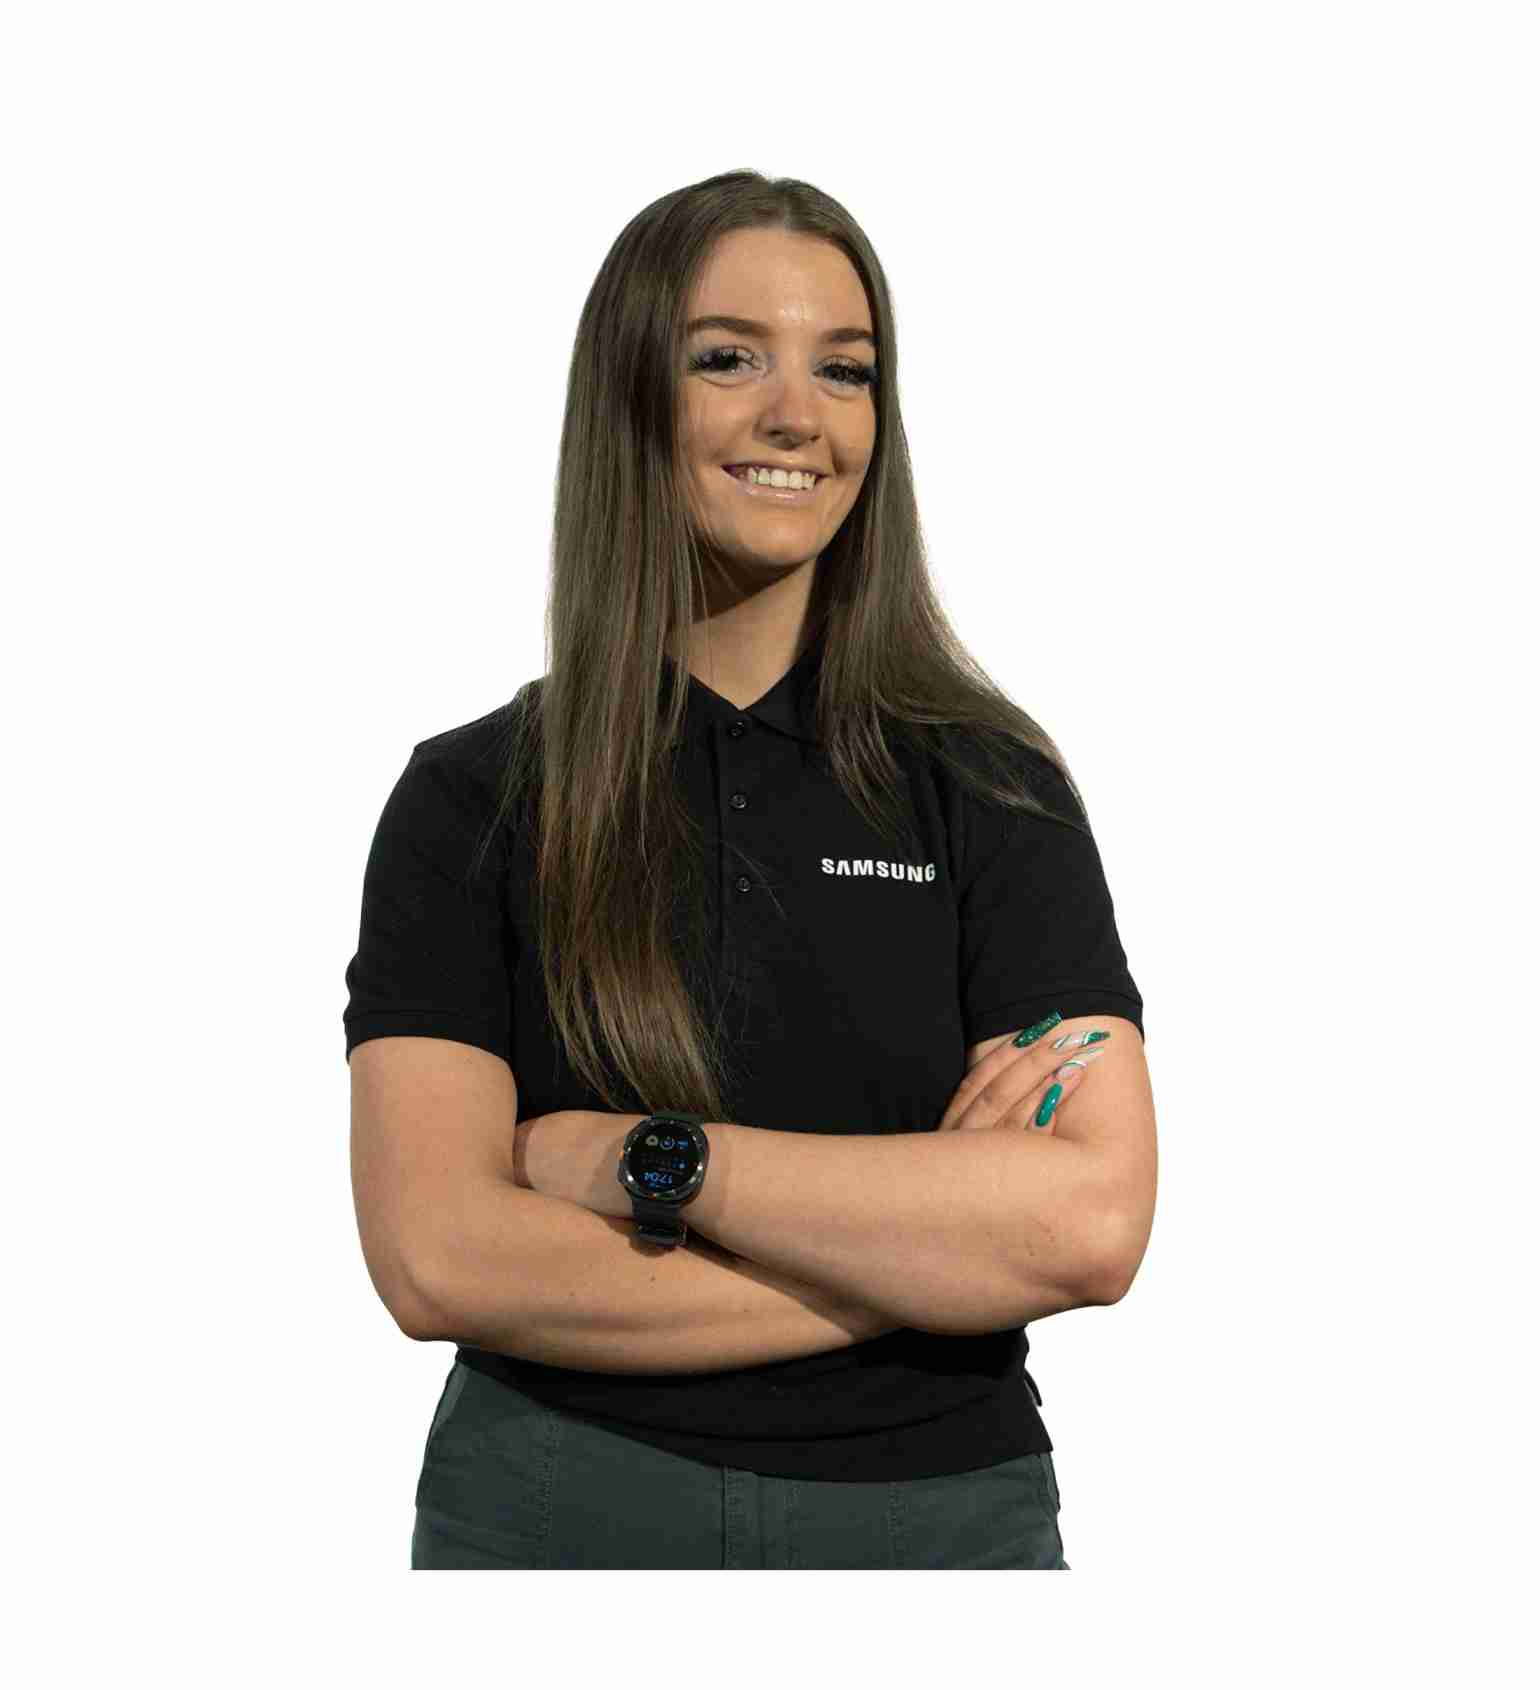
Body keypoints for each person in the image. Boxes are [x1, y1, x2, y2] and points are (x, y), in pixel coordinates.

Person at [344, 169, 1155, 1569]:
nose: (798, 415)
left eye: (845, 369)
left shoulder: (991, 786)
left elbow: (1088, 1224)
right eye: (729, 358)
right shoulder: (472, 798)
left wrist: (648, 1161)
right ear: (630, 395)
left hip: (935, 1524)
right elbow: (438, 1258)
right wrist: (931, 1252)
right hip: (556, 1510)